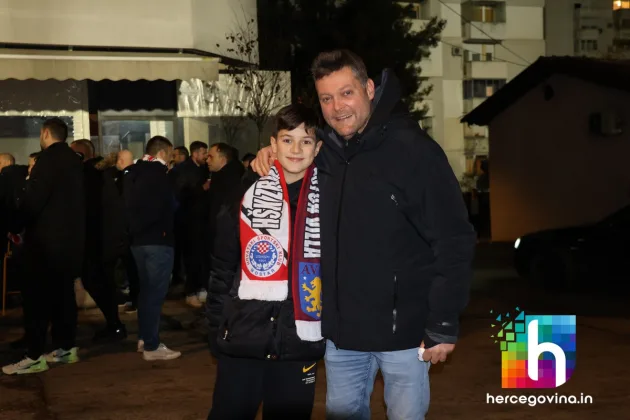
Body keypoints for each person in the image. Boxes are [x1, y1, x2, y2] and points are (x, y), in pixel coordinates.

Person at [252, 50, 476, 420]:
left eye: (347, 93)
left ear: (369, 88)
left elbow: (453, 239)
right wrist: (269, 153)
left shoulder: (414, 151)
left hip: (403, 334)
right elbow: (293, 161)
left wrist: (443, 322)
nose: (337, 107)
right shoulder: (323, 152)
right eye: (326, 98)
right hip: (343, 336)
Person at [208, 104, 325, 420]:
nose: (296, 150)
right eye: (287, 140)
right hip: (242, 338)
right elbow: (222, 266)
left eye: (305, 141)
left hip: (300, 342)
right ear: (273, 145)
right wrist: (217, 326)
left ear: (318, 148)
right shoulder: (245, 195)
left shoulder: (329, 202)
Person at [2, 118, 85, 375]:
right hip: (69, 241)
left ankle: (34, 355)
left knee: (36, 300)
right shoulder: (74, 160)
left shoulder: (47, 160)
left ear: (45, 133)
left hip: (45, 243)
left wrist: (14, 224)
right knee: (63, 297)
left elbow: (34, 200)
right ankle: (66, 347)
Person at [124, 136, 181, 361]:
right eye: (171, 154)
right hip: (158, 240)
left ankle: (144, 338)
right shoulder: (160, 175)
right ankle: (151, 345)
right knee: (155, 295)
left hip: (137, 242)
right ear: (162, 153)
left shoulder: (133, 172)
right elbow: (170, 205)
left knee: (146, 293)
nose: (172, 159)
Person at [70, 140, 127, 342]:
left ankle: (114, 324)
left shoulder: (88, 175)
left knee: (96, 281)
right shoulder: (104, 173)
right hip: (109, 238)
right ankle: (114, 324)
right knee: (104, 281)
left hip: (97, 239)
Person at [169, 141, 210, 308]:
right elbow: (179, 194)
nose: (206, 156)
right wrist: (201, 189)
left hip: (201, 220)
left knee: (201, 256)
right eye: (204, 153)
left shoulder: (204, 168)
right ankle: (190, 291)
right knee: (191, 257)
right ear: (195, 153)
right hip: (187, 221)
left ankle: (200, 287)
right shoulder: (182, 170)